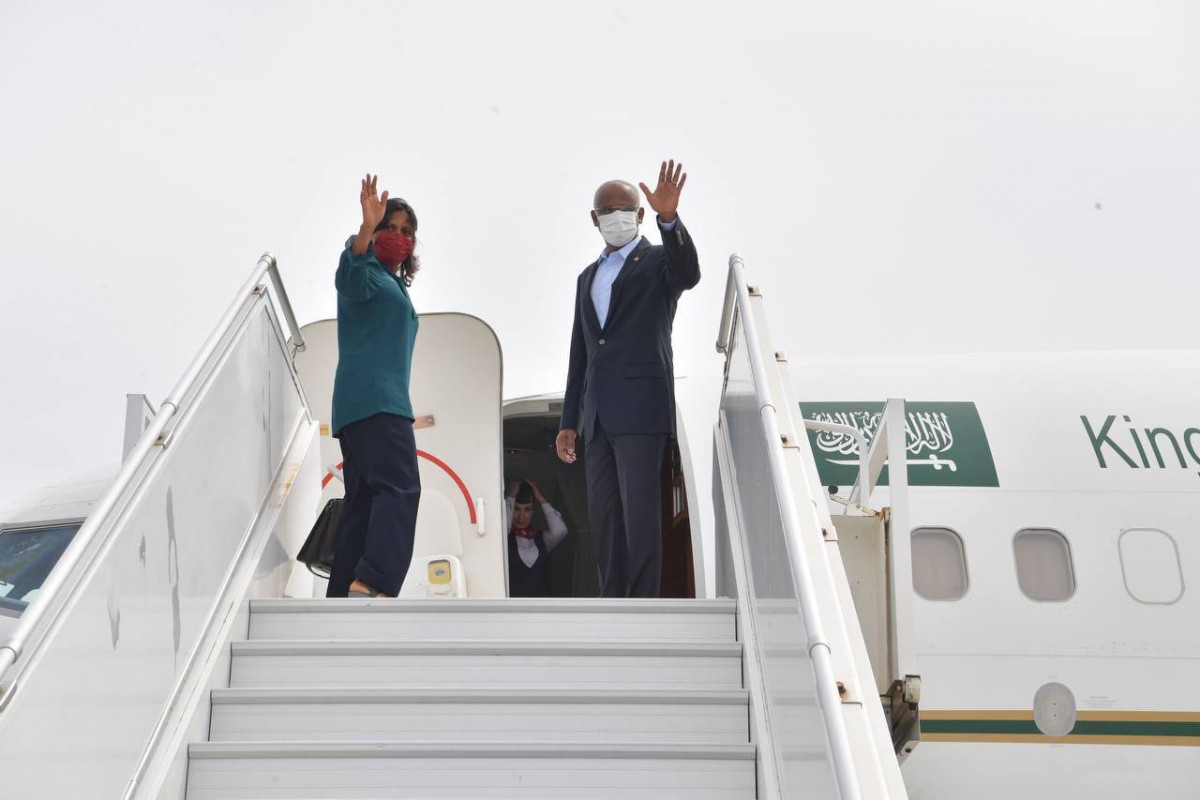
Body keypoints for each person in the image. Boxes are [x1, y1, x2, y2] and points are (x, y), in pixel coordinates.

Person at [555, 160, 700, 598]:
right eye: (607, 209)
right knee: (604, 516)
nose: (616, 216)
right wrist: (569, 420)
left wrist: (669, 219)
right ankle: (613, 599)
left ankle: (643, 601)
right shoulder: (587, 277)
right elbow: (581, 353)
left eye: (625, 209)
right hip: (597, 417)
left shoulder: (656, 262)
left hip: (640, 410)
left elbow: (688, 273)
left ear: (639, 214)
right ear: (594, 218)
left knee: (640, 513)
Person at [326, 174, 422, 599]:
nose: (399, 237)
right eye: (391, 227)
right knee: (401, 488)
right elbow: (348, 277)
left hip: (361, 407)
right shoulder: (364, 270)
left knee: (363, 502)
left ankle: (344, 592)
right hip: (378, 403)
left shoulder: (390, 282)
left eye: (407, 232)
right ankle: (376, 580)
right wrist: (365, 229)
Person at [505, 479, 569, 597]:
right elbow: (503, 527)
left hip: (542, 606)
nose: (521, 516)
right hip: (514, 607)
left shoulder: (541, 539)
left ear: (534, 511)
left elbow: (561, 530)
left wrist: (540, 497)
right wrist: (511, 497)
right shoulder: (503, 540)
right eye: (516, 509)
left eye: (527, 509)